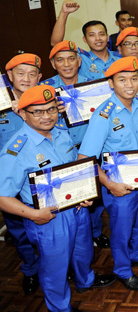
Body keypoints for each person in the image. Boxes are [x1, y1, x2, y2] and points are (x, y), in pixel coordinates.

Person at [0, 85, 116, 311]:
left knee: (83, 250)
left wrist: (87, 193)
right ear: (23, 114)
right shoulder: (16, 150)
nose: (47, 116)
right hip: (49, 218)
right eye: (38, 112)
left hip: (77, 208)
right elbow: (3, 197)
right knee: (55, 267)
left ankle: (86, 281)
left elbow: (76, 170)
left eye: (51, 109)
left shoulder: (61, 133)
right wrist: (35, 215)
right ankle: (60, 307)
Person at [77, 57, 138, 291]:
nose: (129, 85)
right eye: (122, 80)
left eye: (134, 78)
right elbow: (85, 159)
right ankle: (123, 269)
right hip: (119, 184)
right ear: (111, 83)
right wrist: (109, 184)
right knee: (122, 229)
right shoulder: (104, 114)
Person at [42, 41, 111, 248]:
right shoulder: (44, 89)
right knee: (67, 197)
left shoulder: (95, 85)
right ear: (53, 64)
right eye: (60, 60)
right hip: (61, 152)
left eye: (71, 58)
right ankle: (70, 242)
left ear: (79, 61)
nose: (66, 64)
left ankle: (95, 231)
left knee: (94, 196)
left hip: (91, 148)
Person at [2, 54, 45, 296]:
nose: (26, 79)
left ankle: (55, 265)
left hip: (42, 178)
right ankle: (30, 269)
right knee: (19, 231)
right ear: (9, 77)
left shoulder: (46, 102)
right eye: (20, 73)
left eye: (32, 74)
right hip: (11, 183)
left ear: (39, 77)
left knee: (49, 228)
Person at [51, 0, 118, 78]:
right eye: (92, 35)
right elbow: (56, 44)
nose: (98, 38)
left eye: (101, 34)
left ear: (107, 37)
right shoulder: (81, 59)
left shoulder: (119, 57)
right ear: (85, 40)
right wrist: (64, 13)